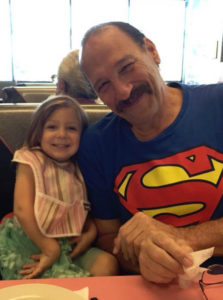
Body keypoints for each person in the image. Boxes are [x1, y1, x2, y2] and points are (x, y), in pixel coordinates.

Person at [77, 21, 223, 284]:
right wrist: (142, 260)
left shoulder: (218, 105)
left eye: (126, 67)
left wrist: (181, 238)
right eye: (104, 85)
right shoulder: (95, 144)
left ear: (152, 50)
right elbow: (108, 237)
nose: (123, 91)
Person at [0, 95, 118, 280]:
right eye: (52, 127)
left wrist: (91, 231)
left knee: (107, 264)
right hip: (30, 243)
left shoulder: (81, 166)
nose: (62, 134)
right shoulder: (29, 160)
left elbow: (82, 208)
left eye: (71, 128)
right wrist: (49, 247)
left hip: (69, 244)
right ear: (38, 133)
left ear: (82, 135)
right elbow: (22, 210)